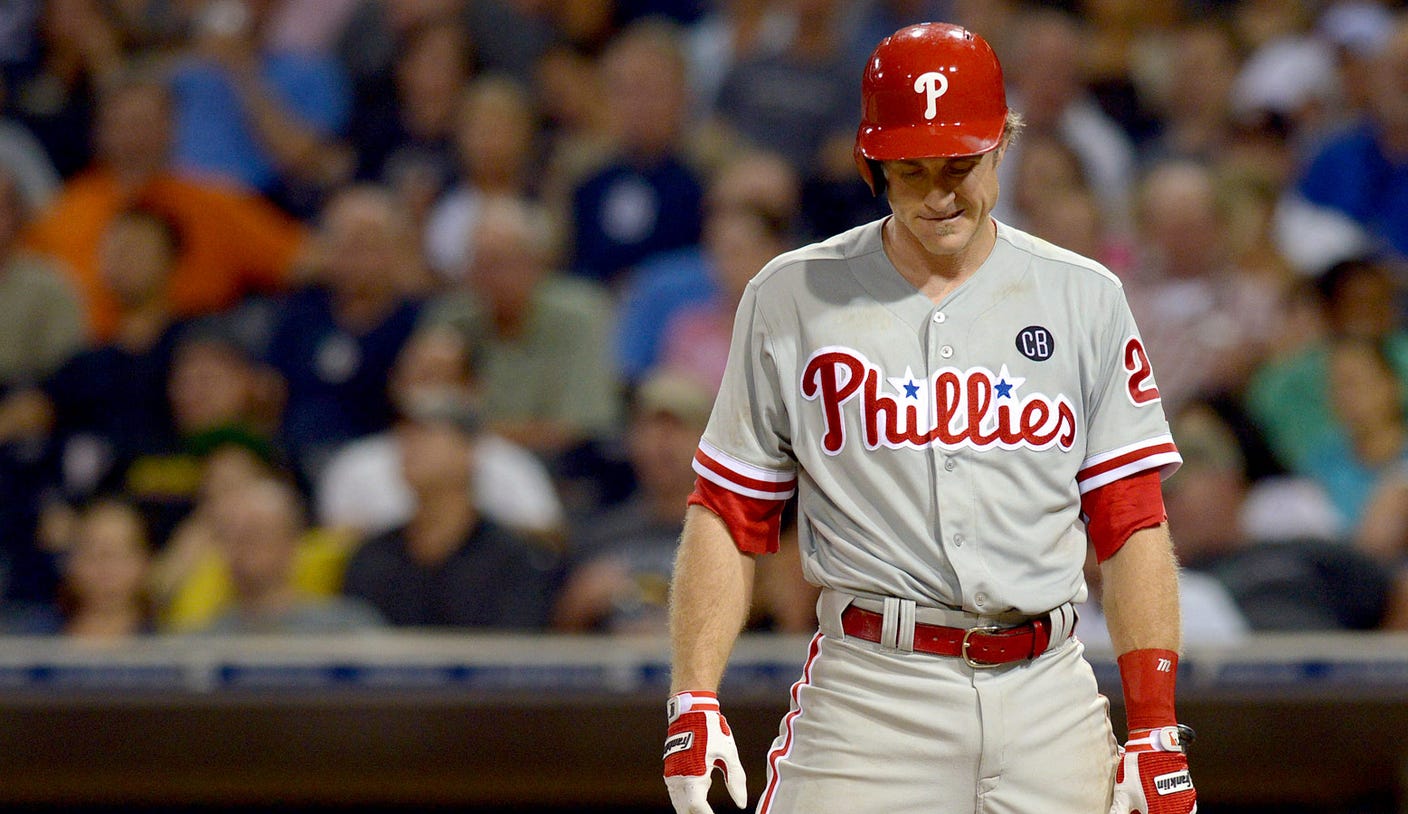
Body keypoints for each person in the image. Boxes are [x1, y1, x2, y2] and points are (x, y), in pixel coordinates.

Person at [663, 23, 1195, 814]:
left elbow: (1131, 522)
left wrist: (1154, 723)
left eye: (962, 164)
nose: (942, 193)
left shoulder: (1085, 297)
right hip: (873, 691)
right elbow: (731, 510)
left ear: (1004, 145)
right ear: (870, 163)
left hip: (1047, 687)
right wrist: (693, 696)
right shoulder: (790, 297)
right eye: (913, 171)